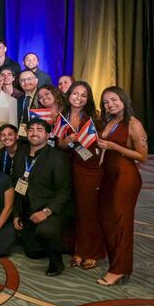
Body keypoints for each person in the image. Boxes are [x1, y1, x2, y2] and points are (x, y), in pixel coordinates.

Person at [96, 87, 148, 286]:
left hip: (125, 177)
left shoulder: (134, 124)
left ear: (123, 99)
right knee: (106, 219)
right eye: (106, 102)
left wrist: (115, 147)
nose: (110, 104)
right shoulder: (110, 121)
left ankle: (119, 269)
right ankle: (117, 263)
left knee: (121, 223)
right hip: (108, 175)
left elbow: (143, 156)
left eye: (113, 99)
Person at [12, 118, 72, 276]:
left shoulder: (57, 157)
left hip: (49, 209)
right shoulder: (21, 154)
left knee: (46, 231)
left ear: (47, 135)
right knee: (32, 252)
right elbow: (17, 186)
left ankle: (57, 263)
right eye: (31, 129)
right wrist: (16, 213)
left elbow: (65, 191)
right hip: (27, 209)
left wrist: (45, 212)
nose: (34, 133)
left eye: (39, 130)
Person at [59, 81, 105, 270]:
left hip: (89, 169)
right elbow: (59, 144)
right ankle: (76, 248)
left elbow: (101, 145)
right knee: (73, 210)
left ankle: (92, 251)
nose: (78, 98)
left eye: (83, 95)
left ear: (88, 99)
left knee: (88, 211)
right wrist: (67, 140)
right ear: (69, 95)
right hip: (68, 166)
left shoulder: (94, 118)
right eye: (75, 93)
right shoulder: (62, 116)